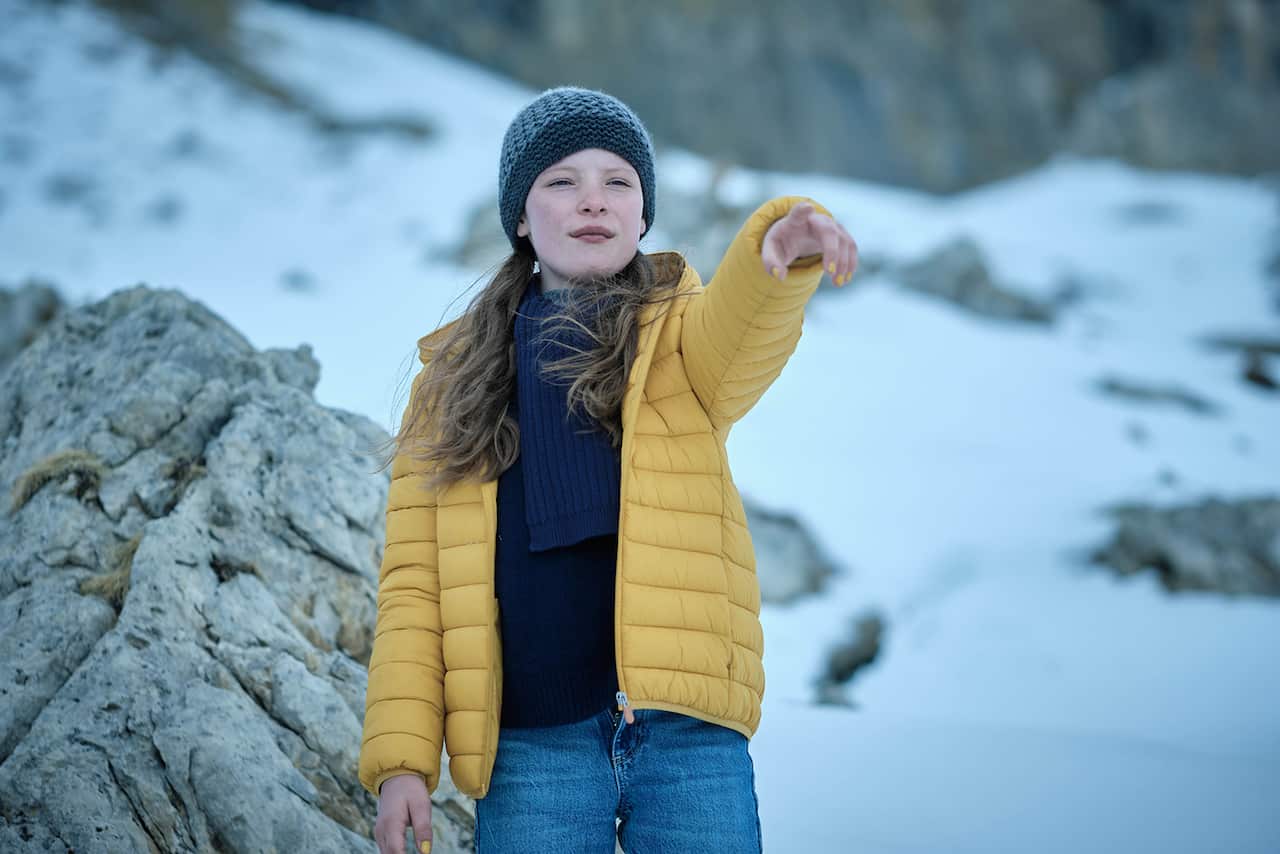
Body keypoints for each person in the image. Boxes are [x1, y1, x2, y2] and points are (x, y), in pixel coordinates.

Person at [358, 85, 858, 854]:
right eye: (562, 181)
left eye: (617, 181)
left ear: (643, 215)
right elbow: (416, 587)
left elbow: (742, 326)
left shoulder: (681, 340)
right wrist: (403, 763)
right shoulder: (450, 384)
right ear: (522, 217)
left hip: (687, 736)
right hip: (531, 747)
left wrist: (778, 258)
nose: (593, 199)